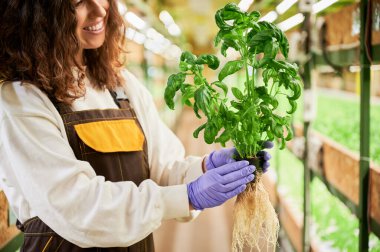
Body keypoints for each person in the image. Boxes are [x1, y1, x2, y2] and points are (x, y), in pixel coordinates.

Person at [0, 0, 271, 251]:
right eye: (77, 2)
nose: (99, 10)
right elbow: (78, 208)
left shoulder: (120, 85)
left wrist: (205, 168)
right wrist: (188, 196)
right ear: (38, 14)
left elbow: (163, 168)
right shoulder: (21, 99)